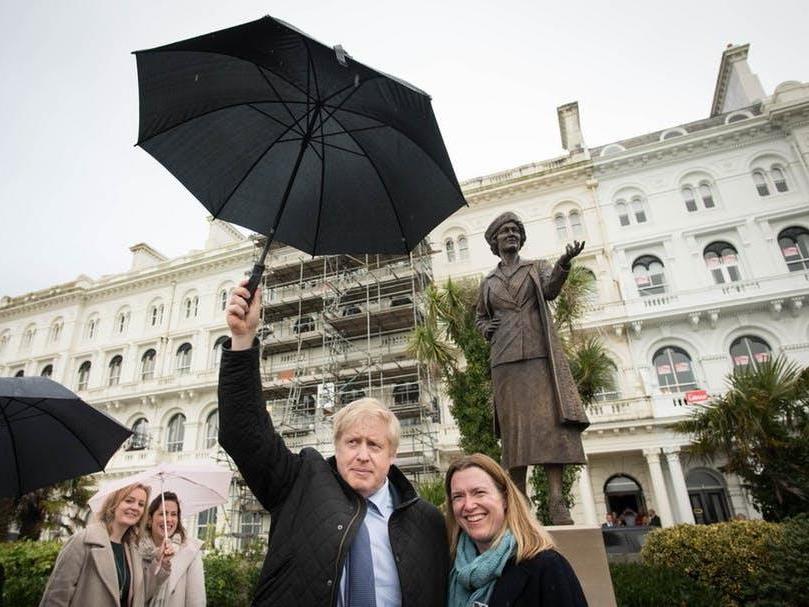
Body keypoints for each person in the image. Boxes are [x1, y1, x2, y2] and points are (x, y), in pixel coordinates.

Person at [218, 279, 450, 606]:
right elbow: (244, 433)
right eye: (353, 442)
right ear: (337, 447)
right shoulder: (299, 485)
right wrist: (242, 339)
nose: (362, 455)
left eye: (374, 445)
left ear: (392, 455)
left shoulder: (427, 522)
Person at [475, 211, 589, 524]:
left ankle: (556, 502)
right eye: (504, 231)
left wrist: (564, 263)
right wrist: (486, 328)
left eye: (515, 230)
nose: (510, 234)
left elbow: (551, 289)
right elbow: (480, 317)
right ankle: (520, 502)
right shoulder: (488, 282)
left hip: (539, 355)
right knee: (515, 433)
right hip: (505, 361)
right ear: (495, 242)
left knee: (549, 427)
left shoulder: (536, 268)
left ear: (521, 238)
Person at [446, 453, 587, 607]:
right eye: (458, 496)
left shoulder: (546, 567)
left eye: (479, 493)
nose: (468, 505)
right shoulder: (450, 569)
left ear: (505, 499)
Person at [40, 483, 170, 607]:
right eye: (129, 501)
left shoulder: (133, 550)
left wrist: (162, 562)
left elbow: (142, 595)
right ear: (114, 504)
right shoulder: (83, 541)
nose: (135, 507)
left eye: (141, 504)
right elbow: (56, 597)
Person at [140, 492, 205, 607]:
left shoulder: (190, 551)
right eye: (163, 514)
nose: (169, 519)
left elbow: (196, 601)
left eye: (174, 514)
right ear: (150, 520)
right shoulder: (137, 550)